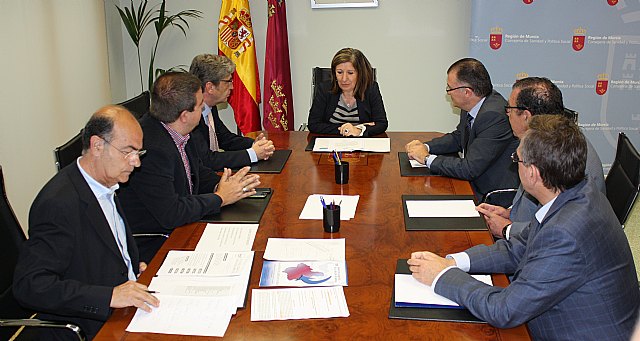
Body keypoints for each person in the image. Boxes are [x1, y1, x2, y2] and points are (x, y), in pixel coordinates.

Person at [408, 115, 639, 340]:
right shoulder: (576, 193)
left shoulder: (565, 232)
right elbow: (516, 248)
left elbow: (504, 310)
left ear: (532, 173)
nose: (514, 164)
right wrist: (453, 262)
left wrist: (442, 276)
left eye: (516, 159)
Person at [13, 106, 160, 340]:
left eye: (138, 153)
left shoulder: (106, 183)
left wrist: (131, 266)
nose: (136, 162)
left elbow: (100, 247)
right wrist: (110, 295)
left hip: (130, 303)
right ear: (97, 146)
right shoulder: (58, 204)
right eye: (128, 152)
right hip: (94, 323)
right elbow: (31, 286)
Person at [118, 72, 260, 262]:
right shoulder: (151, 149)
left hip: (182, 225)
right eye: (200, 106)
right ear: (185, 115)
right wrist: (220, 198)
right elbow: (171, 213)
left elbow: (196, 170)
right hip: (158, 241)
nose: (203, 110)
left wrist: (224, 184)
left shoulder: (179, 129)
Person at [477, 76, 606, 239]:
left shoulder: (560, 157)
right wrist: (509, 213)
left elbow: (553, 229)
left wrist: (507, 229)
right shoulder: (546, 142)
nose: (507, 114)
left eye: (509, 109)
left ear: (526, 116)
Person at [405, 58, 519, 201]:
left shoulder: (494, 116)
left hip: (491, 195)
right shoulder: (473, 104)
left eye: (450, 88)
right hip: (473, 182)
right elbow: (458, 137)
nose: (448, 93)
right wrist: (425, 147)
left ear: (467, 92)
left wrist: (427, 159)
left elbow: (470, 168)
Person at [189, 54, 274, 169]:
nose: (232, 87)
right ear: (210, 87)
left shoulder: (210, 107)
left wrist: (254, 144)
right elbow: (207, 160)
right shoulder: (189, 114)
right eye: (228, 81)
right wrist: (253, 154)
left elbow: (225, 139)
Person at [308, 47, 388, 137]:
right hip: (331, 145)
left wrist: (358, 130)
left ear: (360, 74)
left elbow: (382, 123)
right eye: (339, 72)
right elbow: (313, 124)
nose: (344, 79)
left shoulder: (371, 89)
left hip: (362, 145)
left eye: (350, 73)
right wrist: (348, 129)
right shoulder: (325, 89)